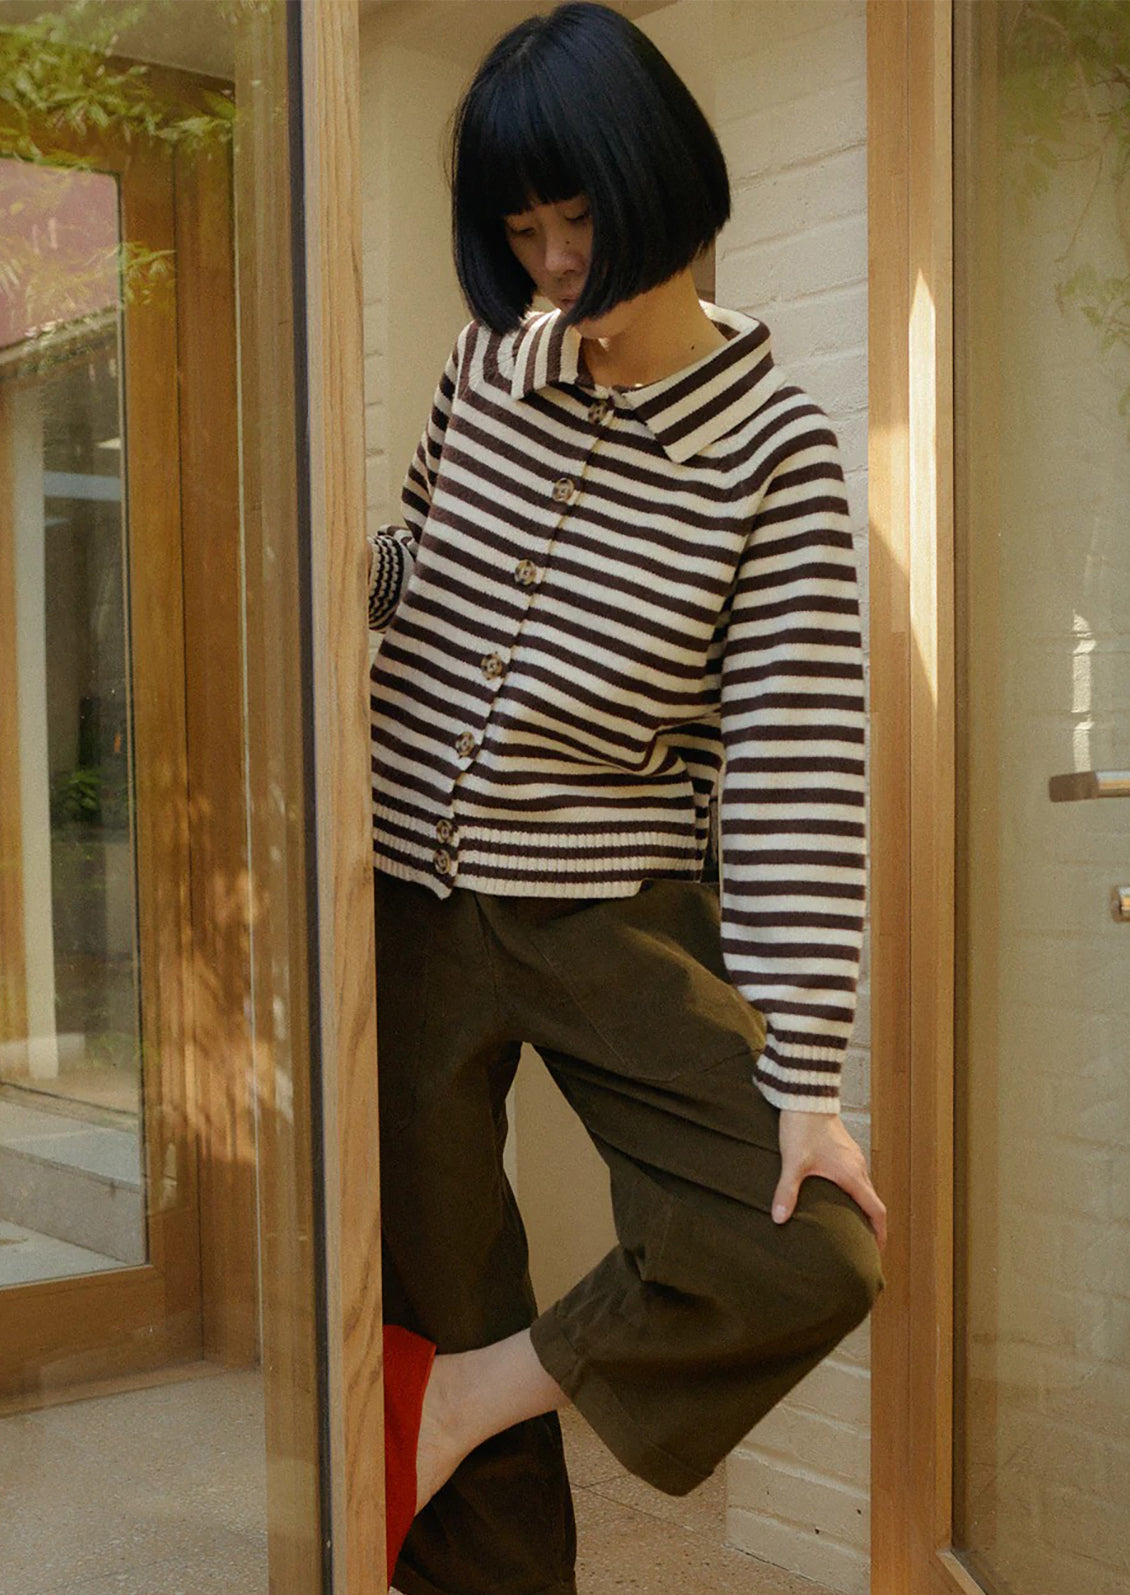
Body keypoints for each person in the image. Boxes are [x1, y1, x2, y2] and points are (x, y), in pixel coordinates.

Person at [366, 5, 888, 1592]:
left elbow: (794, 770)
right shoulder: (485, 369)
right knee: (434, 1283)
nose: (551, 267)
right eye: (520, 231)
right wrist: (315, 559)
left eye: (578, 218)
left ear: (659, 179)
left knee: (801, 1247)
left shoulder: (772, 455)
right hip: (407, 903)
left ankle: (474, 1396)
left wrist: (804, 1073)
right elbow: (414, 576)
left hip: (612, 909)